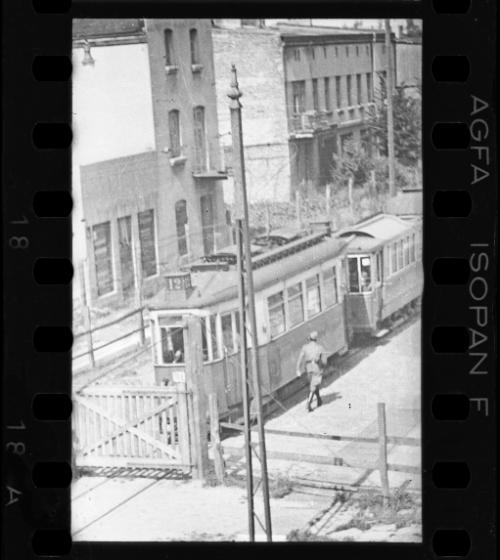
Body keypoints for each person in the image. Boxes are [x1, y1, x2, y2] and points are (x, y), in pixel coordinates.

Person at [296, 331, 327, 412]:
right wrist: (321, 364)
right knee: (313, 386)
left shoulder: (304, 347)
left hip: (308, 368)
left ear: (309, 339)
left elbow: (300, 359)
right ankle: (308, 404)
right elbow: (324, 362)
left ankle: (319, 400)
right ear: (316, 339)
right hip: (317, 368)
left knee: (313, 384)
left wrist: (298, 369)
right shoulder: (320, 347)